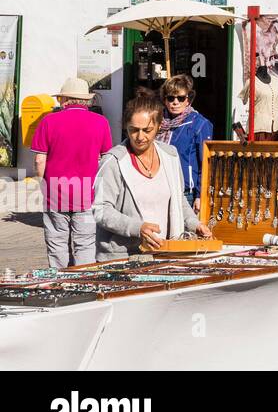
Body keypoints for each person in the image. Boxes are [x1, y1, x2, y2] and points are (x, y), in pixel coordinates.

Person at [92, 90, 213, 260]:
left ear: (158, 126)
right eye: (134, 130)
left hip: (164, 252)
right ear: (126, 127)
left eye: (147, 130)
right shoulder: (113, 161)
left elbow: (178, 199)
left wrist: (194, 224)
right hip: (122, 256)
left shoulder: (170, 155)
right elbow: (100, 210)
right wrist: (137, 227)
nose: (140, 137)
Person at [31, 77, 114, 268]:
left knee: (57, 242)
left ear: (64, 99)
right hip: (87, 194)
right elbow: (105, 159)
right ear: (86, 100)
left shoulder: (48, 121)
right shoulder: (101, 122)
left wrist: (43, 183)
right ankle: (84, 283)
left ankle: (60, 283)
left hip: (56, 194)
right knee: (85, 243)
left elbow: (39, 159)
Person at [157, 74, 214, 209]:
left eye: (180, 98)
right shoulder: (157, 122)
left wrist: (200, 195)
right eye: (171, 98)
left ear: (188, 100)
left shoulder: (199, 124)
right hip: (159, 187)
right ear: (165, 100)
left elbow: (206, 163)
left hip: (185, 191)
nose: (175, 102)